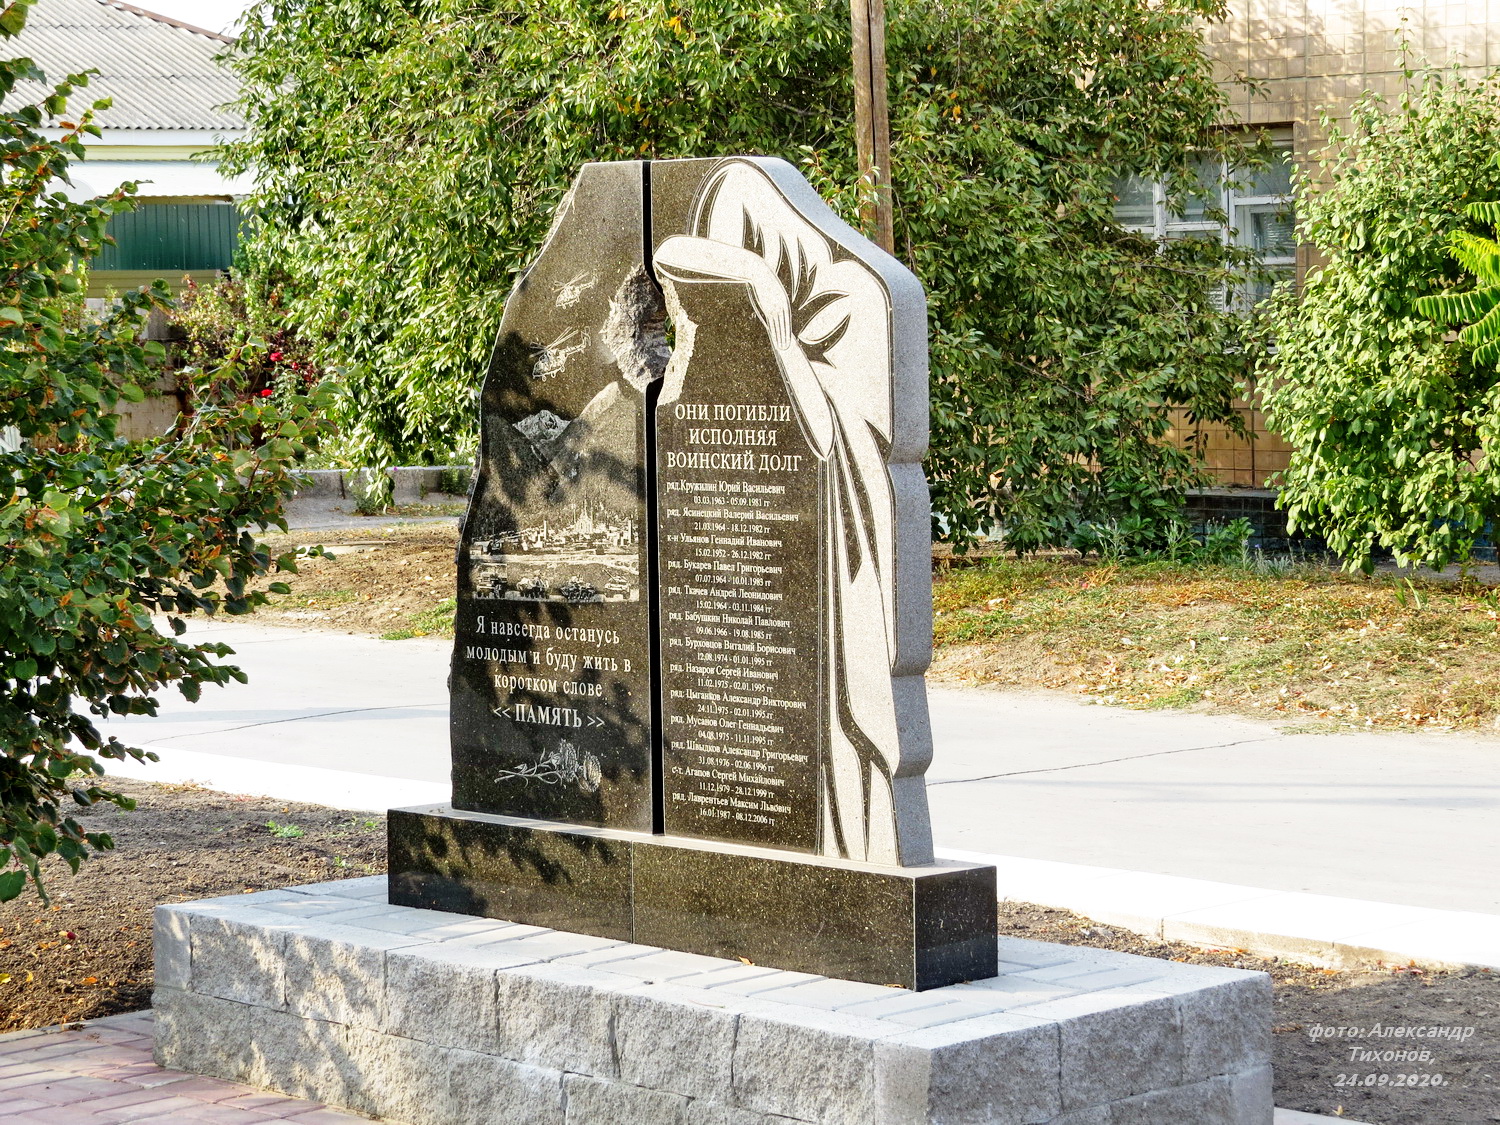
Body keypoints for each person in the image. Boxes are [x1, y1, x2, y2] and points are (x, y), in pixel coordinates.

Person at [654, 159, 907, 863]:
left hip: (837, 556)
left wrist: (770, 311)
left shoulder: (851, 300)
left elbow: (834, 437)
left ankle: (849, 841)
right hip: (796, 550)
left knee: (832, 733)